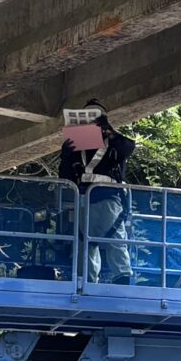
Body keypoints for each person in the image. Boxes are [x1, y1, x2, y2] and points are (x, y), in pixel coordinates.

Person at [59, 105, 135, 284]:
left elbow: (128, 147)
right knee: (85, 243)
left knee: (115, 239)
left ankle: (121, 280)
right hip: (84, 200)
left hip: (108, 198)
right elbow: (65, 176)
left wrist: (109, 130)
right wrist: (66, 156)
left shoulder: (114, 145)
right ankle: (86, 281)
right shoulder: (77, 149)